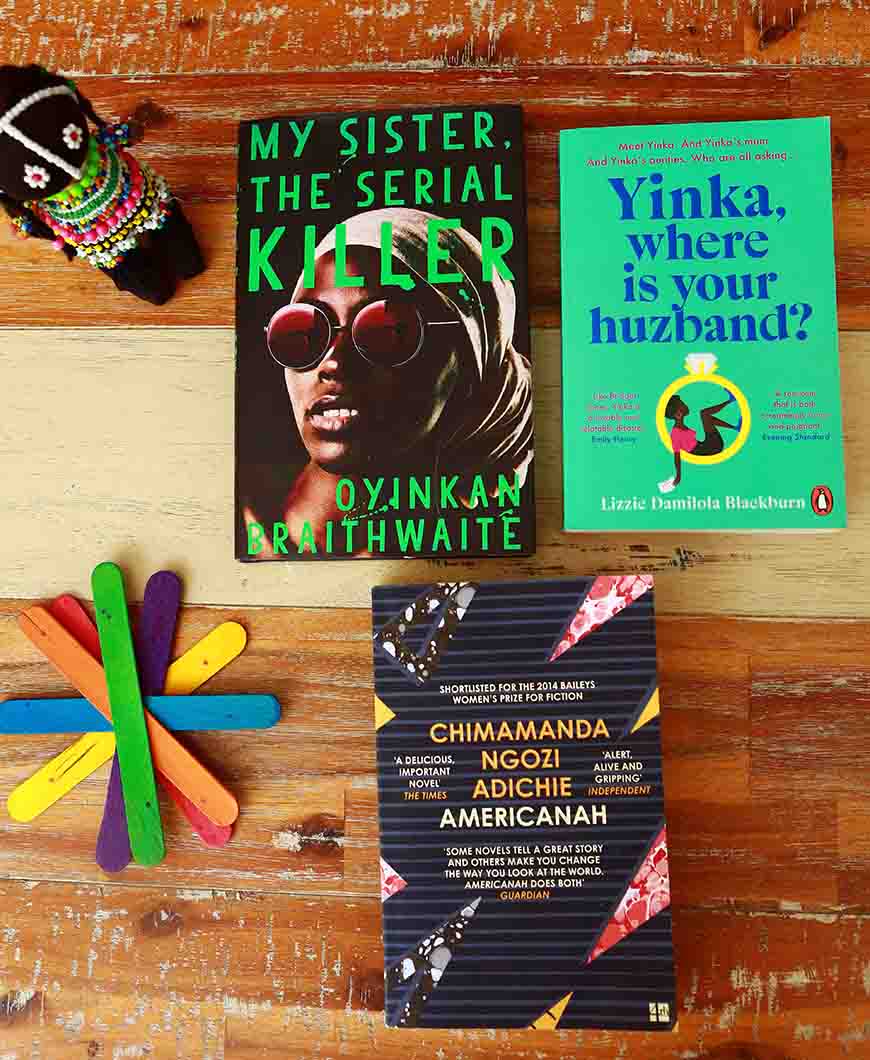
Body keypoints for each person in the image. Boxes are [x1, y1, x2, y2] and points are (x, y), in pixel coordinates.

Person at [241, 207, 534, 556]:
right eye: (305, 329)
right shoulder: (239, 513)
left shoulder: (475, 553)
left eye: (386, 331)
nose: (333, 362)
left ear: (472, 363)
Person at [662, 389, 740, 489]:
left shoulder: (680, 426)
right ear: (678, 414)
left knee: (707, 418)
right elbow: (677, 455)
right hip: (710, 449)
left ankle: (735, 426)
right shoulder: (675, 434)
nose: (686, 405)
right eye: (682, 404)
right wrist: (678, 476)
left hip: (707, 446)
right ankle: (730, 401)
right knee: (704, 414)